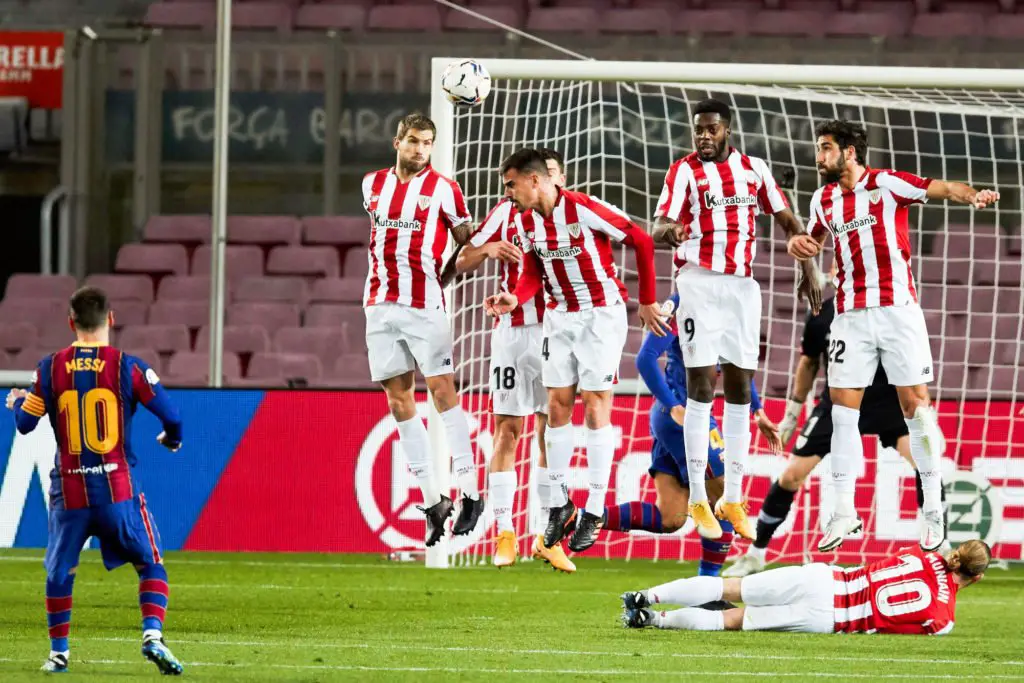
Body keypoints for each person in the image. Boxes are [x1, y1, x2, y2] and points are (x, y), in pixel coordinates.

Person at [807, 119, 999, 552]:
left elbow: (942, 188)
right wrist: (801, 252)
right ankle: (844, 510)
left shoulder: (887, 184)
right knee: (842, 413)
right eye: (819, 148)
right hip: (850, 315)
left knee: (916, 408)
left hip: (897, 312)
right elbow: (813, 241)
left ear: (849, 152)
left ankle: (932, 509)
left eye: (826, 148)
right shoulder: (823, 199)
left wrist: (973, 195)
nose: (819, 157)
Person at [652, 98, 822, 542]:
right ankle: (697, 499)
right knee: (701, 386)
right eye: (698, 130)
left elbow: (788, 221)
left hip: (742, 288)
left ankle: (731, 497)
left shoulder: (754, 169)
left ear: (727, 129)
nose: (703, 136)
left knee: (740, 389)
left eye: (711, 129)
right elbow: (658, 226)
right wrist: (673, 231)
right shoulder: (683, 172)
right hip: (698, 283)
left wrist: (808, 269)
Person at [485, 147, 669, 554]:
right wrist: (515, 299)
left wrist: (647, 300)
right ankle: (559, 504)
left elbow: (640, 240)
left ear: (534, 180)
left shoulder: (584, 208)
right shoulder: (525, 221)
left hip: (599, 315)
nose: (508, 193)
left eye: (511, 185)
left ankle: (596, 509)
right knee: (556, 407)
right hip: (559, 316)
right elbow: (532, 272)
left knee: (596, 405)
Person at [4, 286, 184, 674]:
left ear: (71, 323)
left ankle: (59, 653)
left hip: (70, 493)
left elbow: (25, 424)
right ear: (111, 320)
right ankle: (152, 635)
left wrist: (18, 401)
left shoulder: (49, 369)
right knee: (150, 563)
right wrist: (172, 439)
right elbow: (172, 417)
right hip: (118, 490)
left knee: (60, 572)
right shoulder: (128, 367)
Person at [725, 291, 948, 577]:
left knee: (925, 462)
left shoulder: (895, 305)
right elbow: (809, 362)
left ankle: (941, 546)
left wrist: (925, 414)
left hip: (888, 402)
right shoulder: (824, 312)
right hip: (839, 401)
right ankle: (756, 554)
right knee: (791, 475)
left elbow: (912, 363)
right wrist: (793, 411)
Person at [361, 112, 484, 548]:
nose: (420, 149)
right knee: (398, 400)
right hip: (379, 305)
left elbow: (468, 240)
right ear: (397, 142)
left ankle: (471, 492)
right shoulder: (371, 185)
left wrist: (445, 274)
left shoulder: (445, 189)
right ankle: (434, 501)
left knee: (442, 391)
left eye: (427, 143)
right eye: (413, 141)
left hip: (424, 304)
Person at [603, 293, 782, 581]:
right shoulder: (683, 302)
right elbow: (645, 359)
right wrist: (673, 405)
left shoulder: (728, 307)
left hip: (685, 417)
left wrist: (758, 411)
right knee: (725, 497)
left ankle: (584, 518)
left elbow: (737, 368)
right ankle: (707, 588)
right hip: (680, 415)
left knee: (670, 517)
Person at [454, 148, 574, 572]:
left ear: (558, 179)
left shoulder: (573, 216)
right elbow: (462, 259)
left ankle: (545, 536)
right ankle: (504, 533)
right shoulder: (505, 213)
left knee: (550, 433)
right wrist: (489, 249)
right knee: (507, 430)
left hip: (556, 333)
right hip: (512, 335)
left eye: (555, 174)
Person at [622, 539, 990, 635]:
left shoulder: (921, 555)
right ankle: (655, 619)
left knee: (729, 586)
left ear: (957, 553)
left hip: (826, 579)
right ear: (977, 577)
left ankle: (648, 596)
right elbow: (893, 629)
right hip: (830, 618)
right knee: (732, 619)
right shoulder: (943, 620)